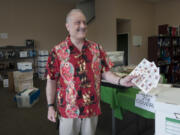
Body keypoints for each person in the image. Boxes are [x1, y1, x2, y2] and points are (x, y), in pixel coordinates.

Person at [46, 9, 136, 135]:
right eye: (78, 23)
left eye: (84, 22)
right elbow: (51, 81)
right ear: (68, 26)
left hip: (91, 108)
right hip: (68, 110)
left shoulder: (97, 49)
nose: (83, 26)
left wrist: (121, 81)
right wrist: (50, 106)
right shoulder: (57, 52)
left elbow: (105, 72)